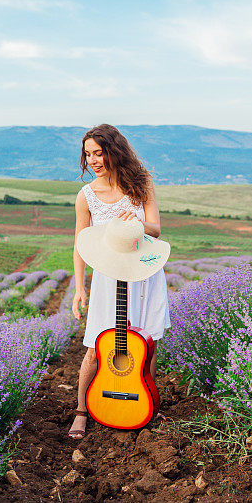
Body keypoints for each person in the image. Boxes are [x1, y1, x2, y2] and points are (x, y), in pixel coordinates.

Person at [68, 124, 171, 439]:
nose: (94, 160)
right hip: (109, 276)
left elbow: (156, 229)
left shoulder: (140, 183)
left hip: (145, 272)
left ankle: (144, 407)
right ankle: (81, 412)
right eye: (88, 154)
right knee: (95, 346)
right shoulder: (87, 197)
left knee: (147, 345)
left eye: (99, 152)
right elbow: (79, 244)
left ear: (114, 150)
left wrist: (137, 223)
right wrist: (79, 288)